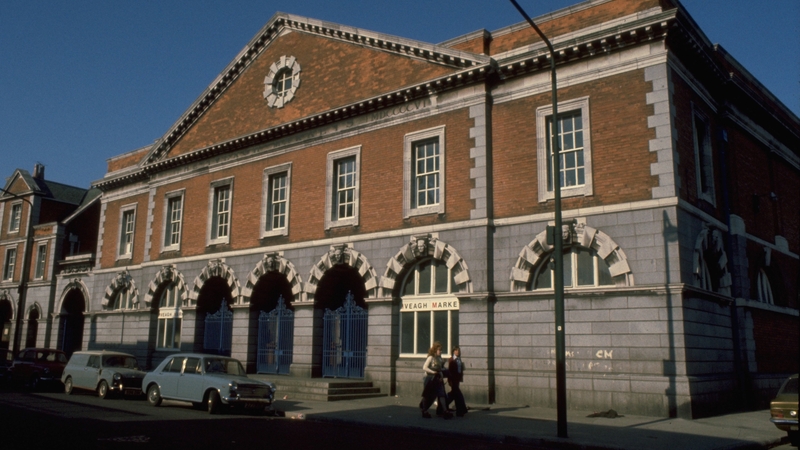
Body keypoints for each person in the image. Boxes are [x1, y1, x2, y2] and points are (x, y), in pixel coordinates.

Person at [420, 342, 451, 419]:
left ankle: (445, 411)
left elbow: (440, 369)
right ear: (435, 350)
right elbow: (424, 367)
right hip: (430, 378)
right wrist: (433, 372)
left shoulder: (440, 359)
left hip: (437, 378)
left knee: (441, 394)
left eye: (441, 350)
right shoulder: (430, 358)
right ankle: (424, 410)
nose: (440, 351)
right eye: (439, 350)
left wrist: (442, 375)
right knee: (427, 395)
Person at [446, 346, 467, 417]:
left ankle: (443, 406)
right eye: (456, 350)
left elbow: (460, 370)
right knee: (458, 395)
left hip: (457, 379)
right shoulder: (451, 360)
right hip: (453, 380)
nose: (457, 352)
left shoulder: (459, 359)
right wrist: (450, 380)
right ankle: (461, 410)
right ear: (453, 351)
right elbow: (450, 371)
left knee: (454, 394)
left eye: (458, 350)